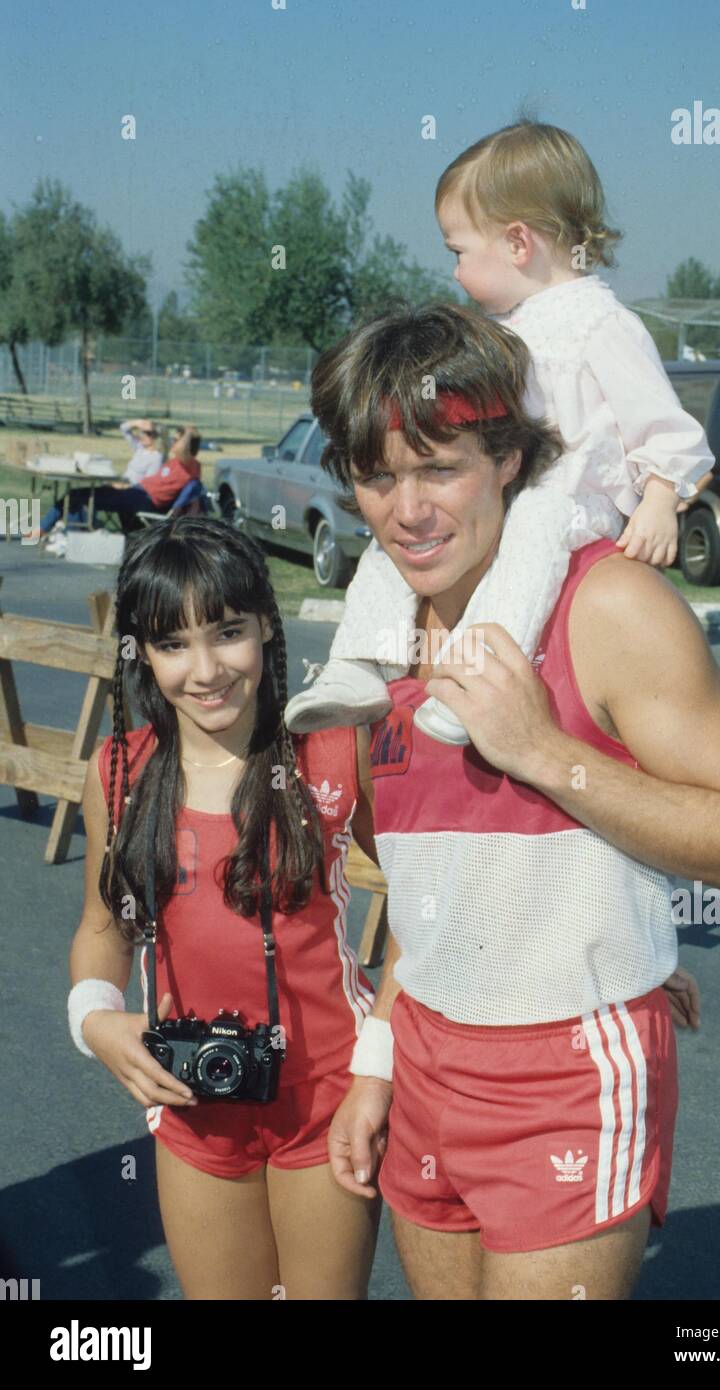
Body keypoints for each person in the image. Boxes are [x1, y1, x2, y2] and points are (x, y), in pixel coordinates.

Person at [312, 302, 720, 1300]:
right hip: (428, 1063)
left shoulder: (606, 603)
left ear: (505, 459)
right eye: (377, 476)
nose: (407, 510)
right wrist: (377, 1063)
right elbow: (423, 897)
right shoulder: (380, 643)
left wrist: (543, 751)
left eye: (439, 466)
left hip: (568, 1074)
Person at [285, 120, 714, 746]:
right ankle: (358, 665)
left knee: (531, 533)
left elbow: (668, 430)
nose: (456, 272)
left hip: (573, 500)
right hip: (517, 491)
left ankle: (476, 684)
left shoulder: (600, 325)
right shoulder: (510, 328)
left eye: (459, 251)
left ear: (517, 243)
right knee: (400, 535)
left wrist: (657, 503)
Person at [67, 516, 382, 1299]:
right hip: (194, 1100)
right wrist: (93, 1019)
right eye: (173, 644)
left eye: (228, 632)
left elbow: (434, 905)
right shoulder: (119, 774)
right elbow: (103, 931)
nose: (205, 670)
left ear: (267, 626)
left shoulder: (331, 752)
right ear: (142, 651)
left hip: (328, 1097)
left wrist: (379, 1066)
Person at [38, 425, 202, 545]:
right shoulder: (176, 462)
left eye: (177, 439)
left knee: (81, 497)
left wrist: (188, 431)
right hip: (135, 493)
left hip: (142, 500)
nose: (173, 442)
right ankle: (65, 534)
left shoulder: (190, 465)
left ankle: (50, 532)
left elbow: (183, 449)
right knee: (78, 495)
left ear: (187, 445)